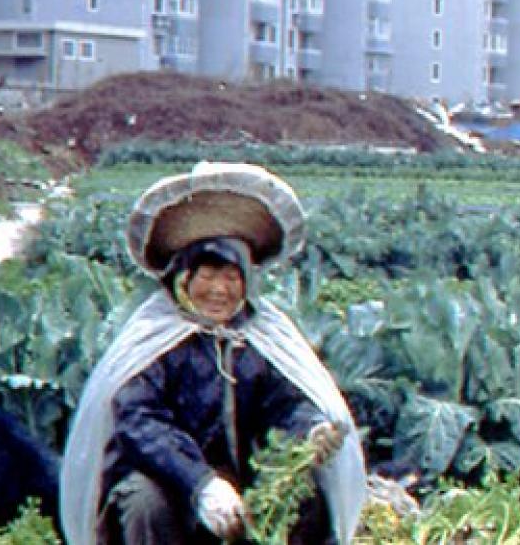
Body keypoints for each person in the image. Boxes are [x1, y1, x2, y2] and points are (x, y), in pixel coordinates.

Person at [60, 162, 367, 545]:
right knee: (145, 505)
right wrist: (200, 483)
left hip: (243, 472)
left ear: (246, 282)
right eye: (207, 275)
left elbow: (285, 403)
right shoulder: (156, 337)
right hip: (168, 477)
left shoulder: (257, 336)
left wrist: (310, 430)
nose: (219, 290)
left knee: (306, 499)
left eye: (231, 277)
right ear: (183, 278)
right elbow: (140, 421)